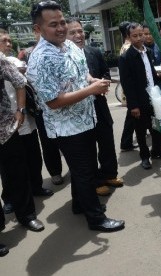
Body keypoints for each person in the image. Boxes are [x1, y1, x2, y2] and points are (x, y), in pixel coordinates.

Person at [26, 0, 124, 232]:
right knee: (84, 172)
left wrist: (92, 80)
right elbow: (53, 102)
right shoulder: (40, 60)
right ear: (38, 29)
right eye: (53, 25)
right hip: (67, 128)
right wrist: (91, 90)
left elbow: (81, 70)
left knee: (87, 167)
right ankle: (96, 218)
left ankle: (80, 204)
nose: (60, 28)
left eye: (62, 22)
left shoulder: (68, 45)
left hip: (86, 119)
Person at [66, 18, 124, 196]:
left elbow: (105, 71)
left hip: (99, 104)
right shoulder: (65, 58)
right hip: (81, 110)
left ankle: (109, 174)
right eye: (73, 32)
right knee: (89, 147)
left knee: (106, 140)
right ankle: (96, 180)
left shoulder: (94, 52)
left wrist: (103, 83)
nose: (78, 35)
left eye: (80, 31)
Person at [0, 31, 54, 216]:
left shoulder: (13, 62)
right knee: (9, 168)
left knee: (30, 157)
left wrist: (21, 110)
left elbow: (24, 82)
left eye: (9, 39)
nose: (8, 43)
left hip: (20, 120)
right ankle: (9, 199)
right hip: (7, 125)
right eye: (4, 40)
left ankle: (36, 188)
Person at [118, 23, 161, 170]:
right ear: (128, 37)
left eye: (141, 34)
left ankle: (157, 152)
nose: (139, 38)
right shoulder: (126, 57)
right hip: (139, 100)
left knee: (156, 127)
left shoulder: (147, 52)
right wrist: (133, 106)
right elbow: (127, 84)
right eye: (135, 36)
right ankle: (144, 156)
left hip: (153, 96)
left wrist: (158, 76)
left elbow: (150, 73)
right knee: (141, 131)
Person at [1, 55, 45, 234]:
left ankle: (27, 216)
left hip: (4, 129)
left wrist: (20, 110)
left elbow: (20, 81)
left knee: (17, 174)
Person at [119, 21, 138, 152]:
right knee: (131, 117)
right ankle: (125, 142)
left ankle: (126, 142)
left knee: (131, 117)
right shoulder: (128, 49)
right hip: (131, 91)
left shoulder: (126, 46)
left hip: (130, 91)